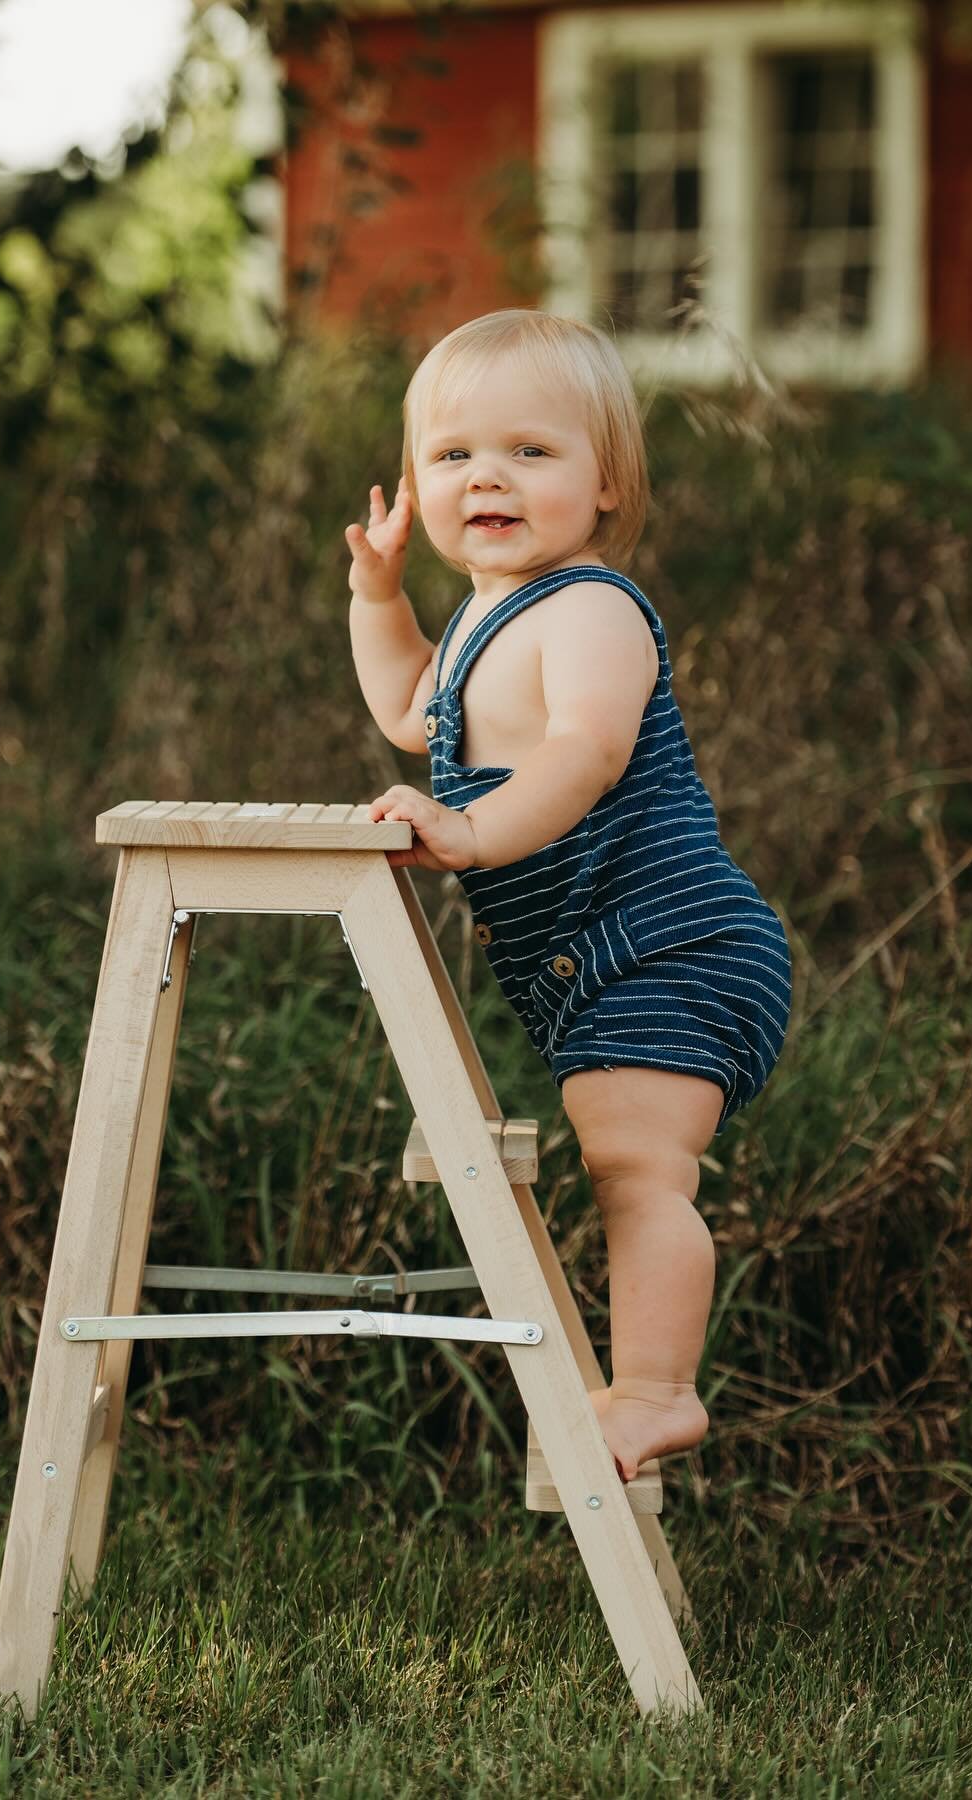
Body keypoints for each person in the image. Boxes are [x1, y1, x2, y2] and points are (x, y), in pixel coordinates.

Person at [345, 308, 791, 1483]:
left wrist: (471, 828)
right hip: (598, 959)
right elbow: (408, 714)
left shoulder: (591, 610)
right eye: (453, 456)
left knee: (641, 1173)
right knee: (616, 1167)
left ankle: (656, 1391)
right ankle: (642, 1386)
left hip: (674, 944)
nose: (487, 475)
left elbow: (586, 753)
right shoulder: (482, 620)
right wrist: (379, 596)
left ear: (605, 485)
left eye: (531, 452)